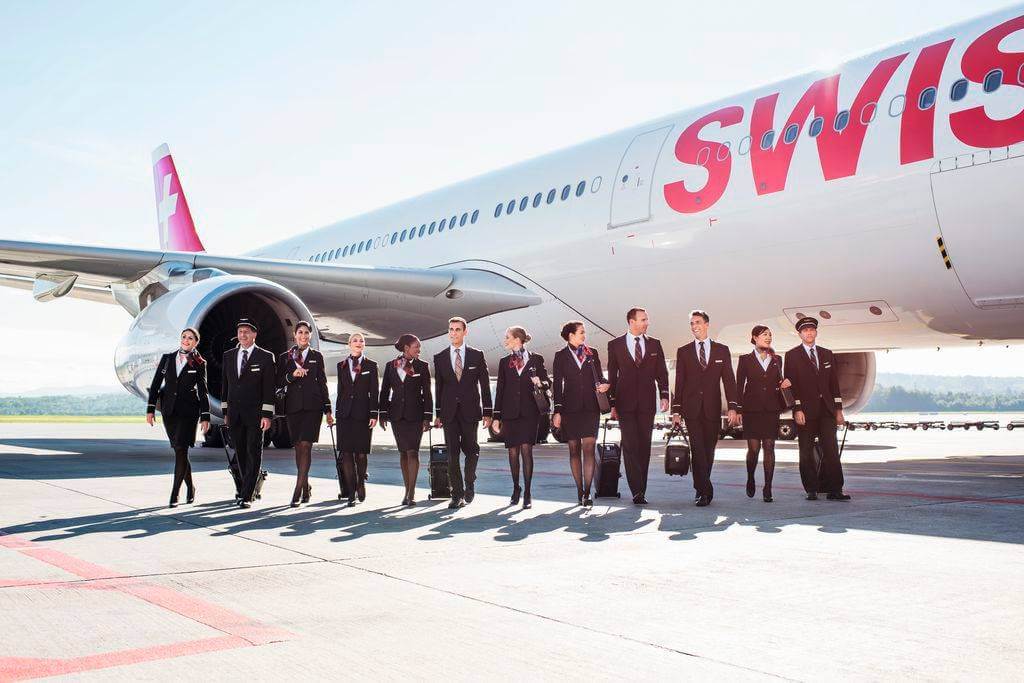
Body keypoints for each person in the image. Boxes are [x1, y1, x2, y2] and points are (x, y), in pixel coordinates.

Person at [671, 310, 739, 507]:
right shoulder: (683, 351)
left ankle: (702, 487)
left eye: (698, 322)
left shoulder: (721, 350)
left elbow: (729, 380)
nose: (694, 326)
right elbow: (680, 382)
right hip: (691, 410)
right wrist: (677, 411)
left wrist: (733, 407)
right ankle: (703, 491)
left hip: (712, 409)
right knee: (698, 450)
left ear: (707, 324)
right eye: (691, 323)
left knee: (709, 451)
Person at [606, 308, 670, 505]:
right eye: (643, 319)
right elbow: (613, 375)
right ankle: (637, 490)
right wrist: (613, 404)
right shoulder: (615, 345)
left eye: (647, 319)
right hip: (625, 403)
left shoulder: (654, 344)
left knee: (644, 446)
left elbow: (662, 373)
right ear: (631, 321)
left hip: (647, 402)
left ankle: (642, 486)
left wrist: (665, 395)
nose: (647, 323)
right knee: (631, 445)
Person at [784, 317, 851, 501]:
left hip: (827, 411)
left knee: (831, 450)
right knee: (805, 451)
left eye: (812, 330)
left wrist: (838, 409)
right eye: (805, 331)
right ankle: (811, 489)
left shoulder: (827, 354)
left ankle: (835, 489)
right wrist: (796, 409)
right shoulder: (792, 356)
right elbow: (790, 386)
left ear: (816, 332)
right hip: (805, 411)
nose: (809, 333)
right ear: (800, 334)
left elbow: (833, 384)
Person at [146, 327, 211, 508]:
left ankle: (175, 494)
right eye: (184, 337)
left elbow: (203, 391)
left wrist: (205, 416)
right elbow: (156, 384)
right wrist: (150, 409)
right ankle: (191, 486)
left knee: (181, 449)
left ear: (196, 342)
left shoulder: (199, 362)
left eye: (191, 338)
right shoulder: (168, 359)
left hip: (188, 413)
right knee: (179, 450)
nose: (186, 340)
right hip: (169, 412)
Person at [433, 317, 492, 509]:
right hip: (449, 413)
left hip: (470, 411)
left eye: (457, 329)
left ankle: (470, 481)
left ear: (465, 332)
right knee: (452, 455)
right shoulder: (440, 357)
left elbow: (484, 385)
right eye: (451, 329)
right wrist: (438, 413)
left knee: (472, 450)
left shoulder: (477, 355)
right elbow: (439, 388)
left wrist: (488, 412)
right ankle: (456, 494)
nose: (453, 333)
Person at [551, 320, 609, 507]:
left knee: (589, 449)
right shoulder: (560, 356)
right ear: (571, 335)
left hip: (591, 407)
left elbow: (600, 376)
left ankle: (587, 491)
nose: (584, 335)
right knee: (574, 450)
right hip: (570, 409)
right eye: (581, 332)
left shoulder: (592, 353)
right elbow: (558, 386)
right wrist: (557, 411)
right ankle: (579, 490)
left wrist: (605, 383)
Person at [221, 318, 276, 509]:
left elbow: (269, 389)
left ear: (254, 334)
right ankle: (248, 487)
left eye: (246, 331)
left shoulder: (265, 357)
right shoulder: (229, 355)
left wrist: (267, 415)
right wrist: (225, 412)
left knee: (254, 452)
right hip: (235, 414)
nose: (242, 335)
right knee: (241, 453)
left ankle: (247, 495)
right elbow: (225, 386)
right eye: (240, 331)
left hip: (255, 415)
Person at [491, 326, 548, 509]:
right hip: (510, 413)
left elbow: (548, 382)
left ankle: (528, 493)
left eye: (507, 337)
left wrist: (540, 382)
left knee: (526, 451)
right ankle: (516, 488)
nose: (505, 340)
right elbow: (500, 390)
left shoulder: (536, 359)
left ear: (517, 339)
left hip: (530, 413)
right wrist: (496, 416)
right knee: (513, 452)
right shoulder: (504, 362)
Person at [277, 321, 333, 507]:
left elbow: (322, 383)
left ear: (310, 335)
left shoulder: (317, 356)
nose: (303, 336)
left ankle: (297, 489)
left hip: (312, 407)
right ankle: (306, 485)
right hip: (293, 407)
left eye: (306, 333)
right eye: (300, 332)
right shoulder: (286, 357)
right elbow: (279, 381)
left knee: (307, 445)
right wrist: (293, 375)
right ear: (294, 335)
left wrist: (328, 409)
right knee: (298, 447)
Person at [735, 325, 791, 502]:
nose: (768, 337)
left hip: (771, 409)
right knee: (753, 449)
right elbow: (739, 386)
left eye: (770, 334)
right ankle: (751, 477)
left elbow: (779, 381)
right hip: (752, 410)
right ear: (754, 338)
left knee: (769, 447)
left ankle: (768, 487)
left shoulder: (777, 359)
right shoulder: (744, 360)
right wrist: (737, 409)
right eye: (764, 334)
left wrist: (784, 384)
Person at [379, 333, 432, 506]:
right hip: (397, 415)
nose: (419, 349)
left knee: (413, 452)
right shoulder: (391, 365)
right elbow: (384, 391)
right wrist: (383, 414)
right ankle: (406, 489)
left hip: (415, 416)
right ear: (406, 348)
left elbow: (428, 394)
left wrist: (427, 418)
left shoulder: (422, 366)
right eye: (416, 346)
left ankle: (412, 492)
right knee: (403, 452)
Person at [335, 332, 379, 506]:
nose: (358, 343)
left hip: (363, 414)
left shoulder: (371, 365)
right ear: (349, 344)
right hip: (345, 414)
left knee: (361, 454)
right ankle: (351, 491)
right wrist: (336, 412)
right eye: (355, 340)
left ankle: (361, 482)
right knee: (346, 453)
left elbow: (374, 391)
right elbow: (341, 391)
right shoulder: (342, 365)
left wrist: (373, 413)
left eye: (361, 341)